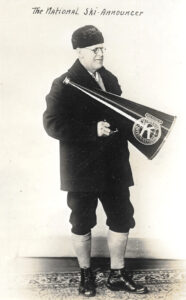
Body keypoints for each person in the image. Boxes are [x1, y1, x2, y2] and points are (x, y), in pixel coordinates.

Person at [43, 25, 148, 296]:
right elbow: (52, 124)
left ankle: (116, 274)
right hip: (81, 170)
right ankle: (86, 276)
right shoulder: (63, 83)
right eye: (95, 49)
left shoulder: (110, 79)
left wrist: (142, 125)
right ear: (78, 52)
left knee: (122, 218)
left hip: (113, 168)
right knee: (81, 222)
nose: (101, 53)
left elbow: (120, 114)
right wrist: (91, 130)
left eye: (102, 48)